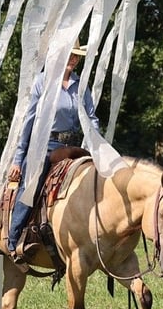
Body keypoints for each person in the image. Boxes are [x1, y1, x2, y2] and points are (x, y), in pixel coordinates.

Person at [7, 40, 100, 270]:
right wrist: (19, 159)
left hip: (73, 147)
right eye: (70, 54)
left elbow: (90, 118)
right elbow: (28, 121)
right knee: (33, 184)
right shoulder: (42, 82)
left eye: (77, 56)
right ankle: (14, 239)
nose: (73, 59)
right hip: (44, 145)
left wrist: (97, 147)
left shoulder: (81, 85)